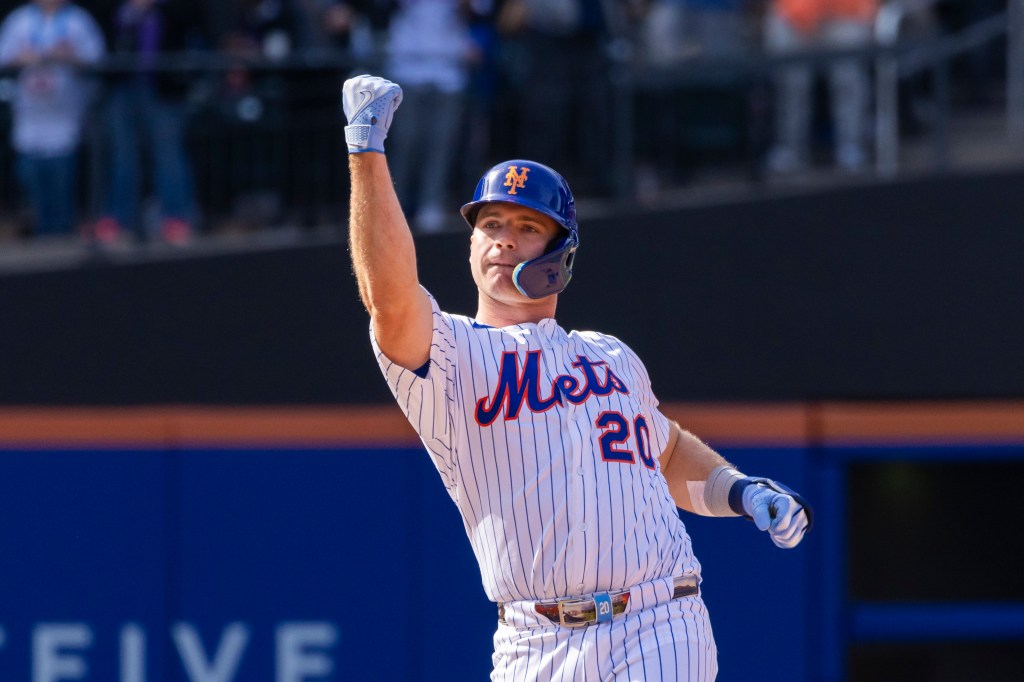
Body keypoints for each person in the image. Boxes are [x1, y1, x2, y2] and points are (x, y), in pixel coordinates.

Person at [344, 74, 813, 680]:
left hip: (657, 621)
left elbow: (664, 454)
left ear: (560, 253)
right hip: (530, 641)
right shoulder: (450, 354)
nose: (503, 241)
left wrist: (746, 492)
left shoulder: (610, 355)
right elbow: (389, 297)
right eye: (490, 225)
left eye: (526, 227)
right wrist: (366, 151)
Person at [92, 0, 208, 246]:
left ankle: (176, 217)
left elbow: (194, 22)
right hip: (123, 89)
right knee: (123, 156)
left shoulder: (173, 11)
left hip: (163, 91)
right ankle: (120, 219)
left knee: (168, 155)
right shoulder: (118, 12)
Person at [0, 0, 104, 239]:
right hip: (29, 119)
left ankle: (62, 239)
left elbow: (98, 59)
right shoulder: (20, 20)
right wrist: (20, 58)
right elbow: (4, 56)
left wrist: (70, 57)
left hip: (64, 120)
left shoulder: (78, 20)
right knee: (32, 184)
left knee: (62, 187)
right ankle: (41, 237)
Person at [764, 0, 879, 174]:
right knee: (791, 84)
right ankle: (789, 148)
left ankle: (851, 146)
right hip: (794, 12)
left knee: (848, 80)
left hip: (845, 11)